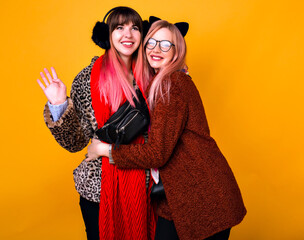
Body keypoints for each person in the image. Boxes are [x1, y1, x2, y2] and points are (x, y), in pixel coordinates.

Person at [87, 19, 247, 240]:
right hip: (183, 196)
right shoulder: (165, 80)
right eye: (151, 42)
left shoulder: (171, 85)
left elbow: (157, 153)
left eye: (165, 44)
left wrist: (106, 151)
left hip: (203, 195)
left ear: (177, 51)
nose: (155, 49)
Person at [37, 7, 155, 240]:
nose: (127, 35)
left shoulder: (155, 75)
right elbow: (76, 143)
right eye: (119, 27)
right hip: (98, 189)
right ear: (107, 35)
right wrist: (59, 104)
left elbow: (164, 138)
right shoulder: (87, 79)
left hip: (148, 187)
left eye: (134, 28)